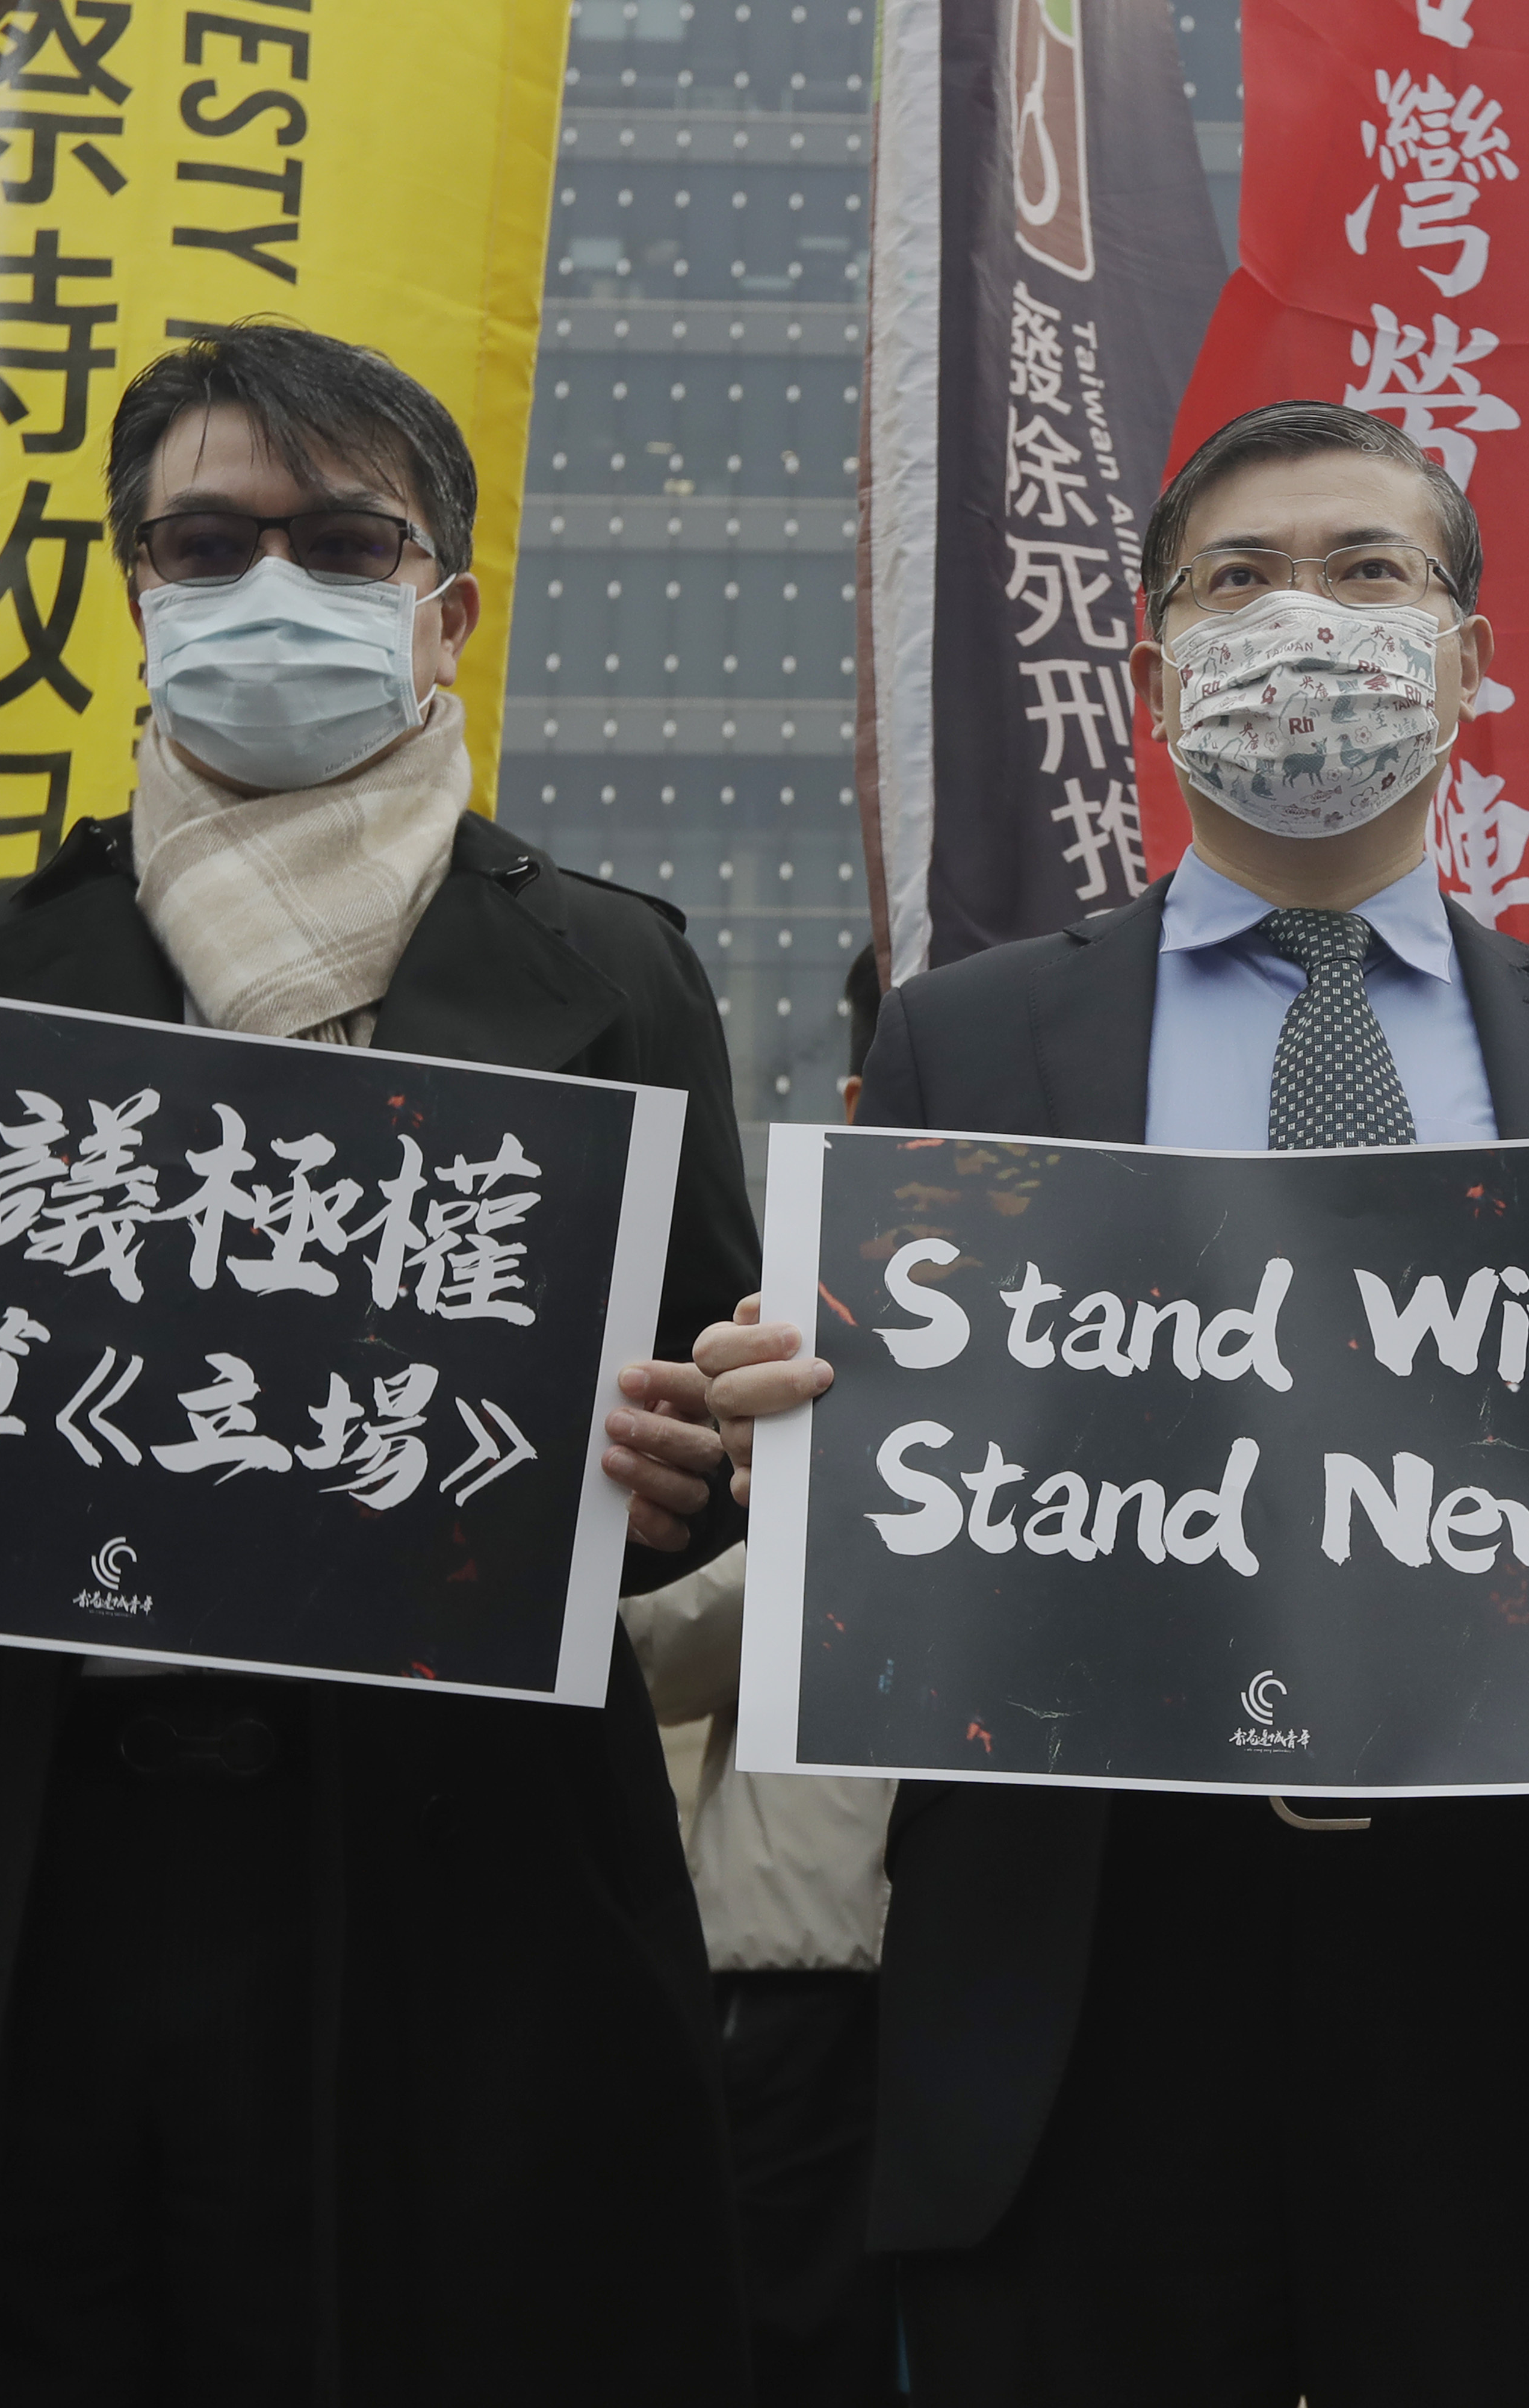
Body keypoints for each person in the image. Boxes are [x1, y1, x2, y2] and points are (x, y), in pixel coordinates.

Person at [0, 324, 763, 2407]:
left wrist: (688, 1465)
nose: (269, 592)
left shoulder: (612, 973)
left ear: (447, 604)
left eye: (339, 541)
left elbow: (699, 1469)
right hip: (12, 1877)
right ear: (135, 590)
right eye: (206, 545)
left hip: (450, 1894)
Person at [699, 398, 1529, 2407]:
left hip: (1519, 1980)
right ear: (1156, 672)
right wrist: (775, 1431)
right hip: (1096, 1968)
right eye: (1237, 581)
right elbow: (893, 1483)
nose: (1300, 618)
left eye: (1366, 571)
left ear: (1470, 662)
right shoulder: (974, 1037)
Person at [624, 943, 899, 2407]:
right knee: (789, 2343)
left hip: (1043, 1975)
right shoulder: (784, 1334)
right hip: (798, 1968)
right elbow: (656, 1648)